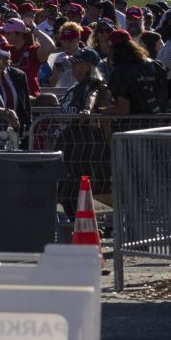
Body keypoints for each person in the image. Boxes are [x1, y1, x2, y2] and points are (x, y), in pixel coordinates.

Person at [55, 48, 111, 217]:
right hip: (68, 143)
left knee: (72, 189)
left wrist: (87, 109)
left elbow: (92, 96)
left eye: (76, 64)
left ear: (88, 66)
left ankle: (82, 224)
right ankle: (81, 223)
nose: (72, 68)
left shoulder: (94, 85)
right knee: (68, 190)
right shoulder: (74, 88)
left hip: (83, 145)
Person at [103, 30, 168, 116]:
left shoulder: (120, 72)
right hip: (158, 123)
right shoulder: (155, 64)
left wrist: (99, 112)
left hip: (135, 126)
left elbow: (123, 109)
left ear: (113, 49)